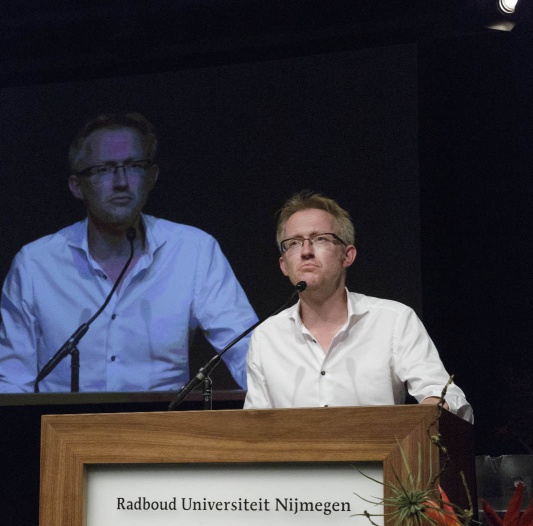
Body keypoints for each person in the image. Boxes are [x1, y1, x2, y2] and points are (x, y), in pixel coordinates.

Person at [0, 112, 257, 393]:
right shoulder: (36, 264)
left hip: (161, 431)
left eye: (133, 166)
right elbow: (13, 382)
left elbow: (248, 353)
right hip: (65, 433)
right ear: (77, 186)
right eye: (104, 169)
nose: (121, 181)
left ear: (152, 176)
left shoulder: (194, 251)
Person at [244, 192, 472, 421]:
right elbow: (253, 427)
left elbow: (447, 397)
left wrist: (433, 407)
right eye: (293, 243)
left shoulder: (394, 320)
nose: (305, 251)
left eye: (320, 239)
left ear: (348, 255)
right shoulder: (266, 337)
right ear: (284, 265)